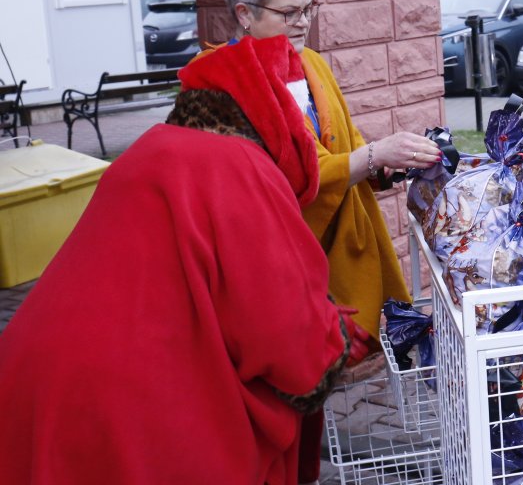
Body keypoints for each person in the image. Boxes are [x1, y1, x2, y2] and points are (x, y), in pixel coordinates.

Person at [0, 35, 368, 484]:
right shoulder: (241, 166)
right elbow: (282, 328)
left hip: (34, 376)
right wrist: (342, 336)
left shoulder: (151, 146)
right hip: (137, 411)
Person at [217, 0, 440, 483]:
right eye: (290, 12)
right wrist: (369, 156)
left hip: (327, 259)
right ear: (244, 14)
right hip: (271, 268)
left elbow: (340, 146)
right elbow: (279, 178)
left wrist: (388, 161)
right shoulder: (223, 81)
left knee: (311, 396)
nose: (303, 23)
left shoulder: (311, 63)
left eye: (308, 8)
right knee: (272, 403)